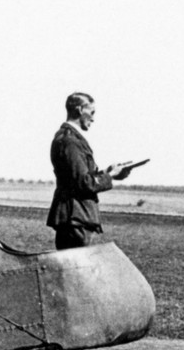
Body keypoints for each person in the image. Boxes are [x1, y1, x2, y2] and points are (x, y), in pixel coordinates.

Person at [46, 91, 131, 249]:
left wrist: (109, 172)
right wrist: (110, 175)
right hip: (76, 217)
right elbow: (83, 183)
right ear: (79, 110)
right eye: (91, 112)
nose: (93, 118)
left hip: (75, 216)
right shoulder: (71, 141)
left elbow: (79, 177)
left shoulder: (67, 138)